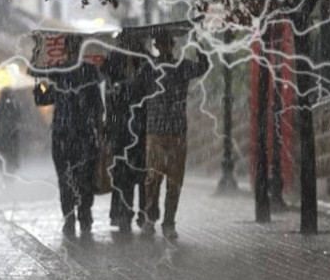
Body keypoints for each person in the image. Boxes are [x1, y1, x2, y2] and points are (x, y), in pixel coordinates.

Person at [141, 32, 209, 240]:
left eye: (167, 43)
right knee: (153, 179)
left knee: (174, 180)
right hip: (156, 131)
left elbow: (203, 66)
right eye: (160, 43)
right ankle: (150, 218)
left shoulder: (181, 66)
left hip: (176, 131)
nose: (164, 47)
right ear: (157, 46)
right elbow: (134, 80)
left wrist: (199, 43)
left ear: (171, 45)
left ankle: (169, 222)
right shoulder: (149, 68)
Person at [34, 36, 103, 237]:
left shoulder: (88, 72)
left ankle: (82, 213)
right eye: (71, 48)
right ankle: (71, 216)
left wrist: (99, 132)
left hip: (81, 135)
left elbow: (97, 106)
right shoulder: (58, 73)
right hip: (65, 135)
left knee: (83, 178)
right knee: (67, 178)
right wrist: (40, 83)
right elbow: (43, 98)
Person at [103, 36, 150, 234]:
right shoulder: (114, 60)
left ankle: (145, 215)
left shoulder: (146, 62)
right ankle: (123, 214)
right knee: (123, 175)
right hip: (122, 128)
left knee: (144, 174)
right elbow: (108, 89)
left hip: (142, 126)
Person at [0, 87, 21, 173]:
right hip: (12, 132)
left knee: (3, 152)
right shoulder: (14, 104)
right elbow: (19, 117)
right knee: (12, 152)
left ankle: (3, 168)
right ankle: (12, 168)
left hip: (2, 132)